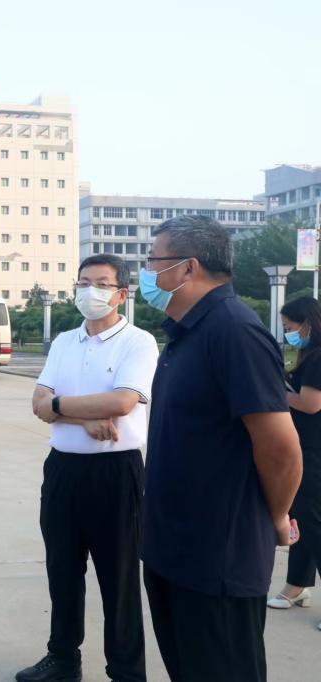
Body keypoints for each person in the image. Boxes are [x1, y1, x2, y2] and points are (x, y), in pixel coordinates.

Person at [141, 215, 302, 681]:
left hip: (217, 560)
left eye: (153, 260)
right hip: (174, 550)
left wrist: (277, 514)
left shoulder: (234, 331)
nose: (147, 272)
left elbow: (281, 448)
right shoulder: (186, 333)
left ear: (188, 267)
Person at [21, 255, 159, 682]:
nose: (89, 291)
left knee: (119, 578)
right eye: (83, 283)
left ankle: (126, 671)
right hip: (63, 470)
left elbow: (122, 401)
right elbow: (37, 402)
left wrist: (59, 406)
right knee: (62, 571)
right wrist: (81, 418)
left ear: (121, 294)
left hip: (115, 473)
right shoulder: (65, 341)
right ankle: (63, 658)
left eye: (101, 283)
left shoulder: (138, 342)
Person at [266, 296, 321, 632]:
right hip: (306, 447)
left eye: (290, 327)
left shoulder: (317, 358)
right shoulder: (309, 355)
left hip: (313, 451)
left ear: (308, 324)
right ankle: (297, 585)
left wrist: (276, 391)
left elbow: (310, 403)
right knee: (300, 517)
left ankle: (297, 585)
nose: (288, 333)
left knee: (312, 521)